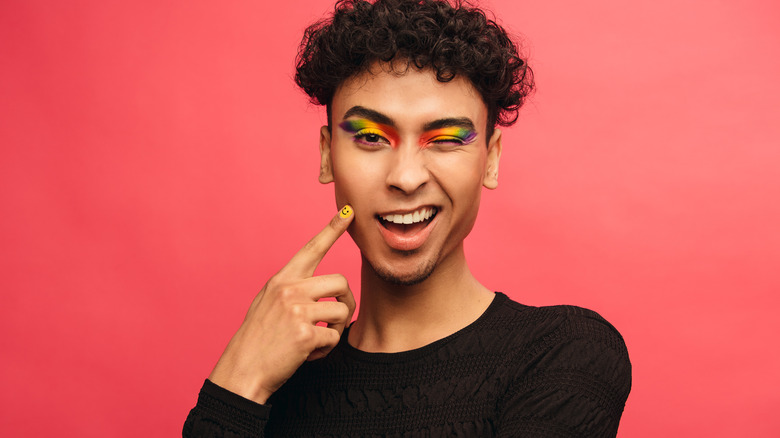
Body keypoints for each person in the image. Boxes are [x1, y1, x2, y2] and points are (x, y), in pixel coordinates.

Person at [183, 0, 631, 436]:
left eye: (446, 139)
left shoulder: (562, 354)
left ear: (489, 161)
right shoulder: (269, 390)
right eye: (372, 137)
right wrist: (237, 382)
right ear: (327, 156)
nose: (406, 177)